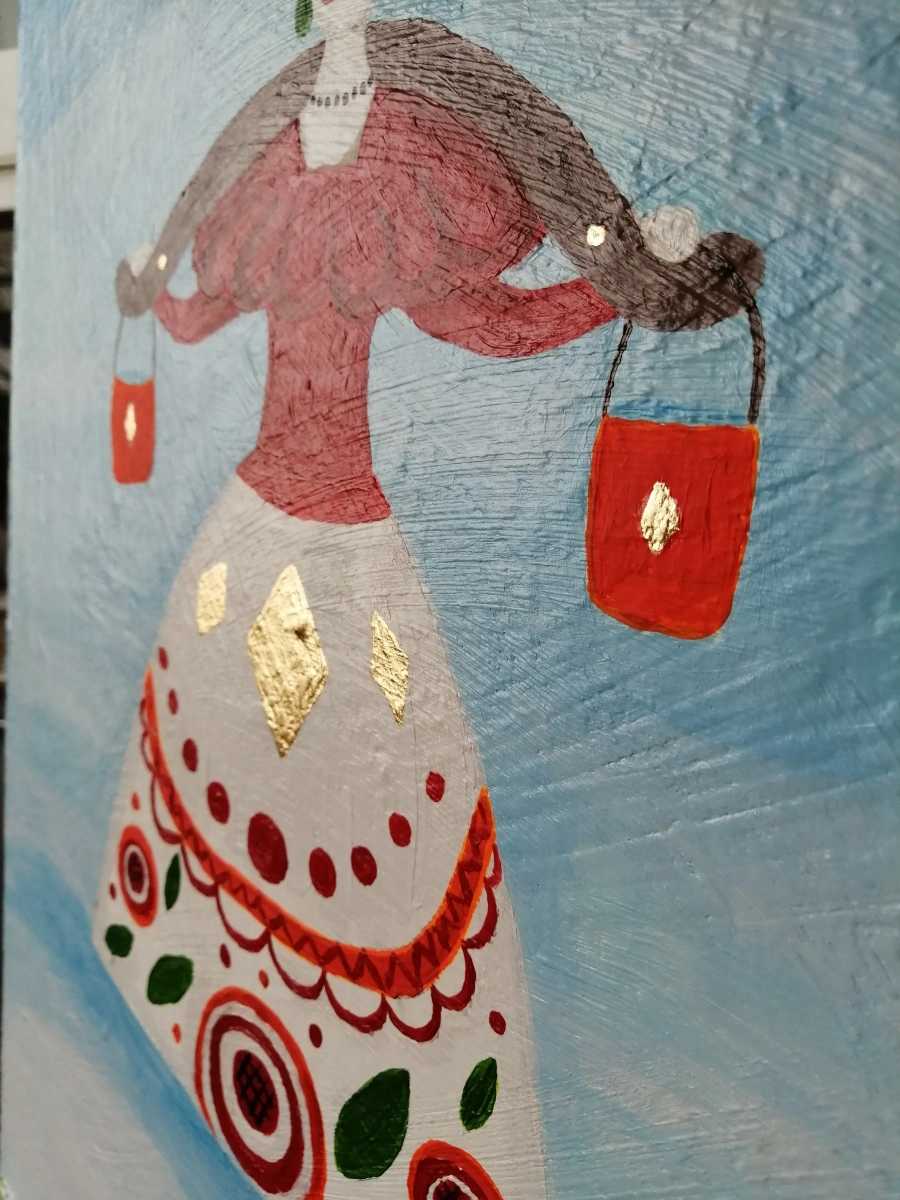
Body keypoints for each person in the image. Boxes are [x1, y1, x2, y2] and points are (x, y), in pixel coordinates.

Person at [95, 3, 761, 1197]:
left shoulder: (372, 196)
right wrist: (147, 298)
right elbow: (208, 312)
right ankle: (240, 1038)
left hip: (294, 542)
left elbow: (489, 323)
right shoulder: (290, 201)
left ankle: (347, 1115)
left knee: (348, 798)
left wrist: (622, 289)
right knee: (299, 783)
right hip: (280, 543)